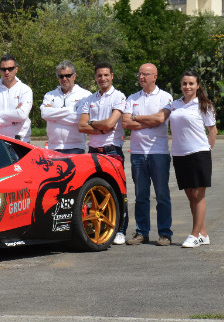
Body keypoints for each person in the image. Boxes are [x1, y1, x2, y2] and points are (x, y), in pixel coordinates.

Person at [144, 71, 217, 248]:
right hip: (179, 154)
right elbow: (159, 117)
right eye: (184, 83)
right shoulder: (174, 104)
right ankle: (203, 233)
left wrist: (207, 150)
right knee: (191, 195)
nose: (187, 87)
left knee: (198, 195)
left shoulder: (204, 105)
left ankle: (194, 234)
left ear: (197, 85)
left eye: (191, 83)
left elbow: (213, 131)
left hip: (199, 153)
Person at [122, 63, 173, 246]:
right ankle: (142, 232)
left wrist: (136, 118)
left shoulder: (165, 97)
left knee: (162, 195)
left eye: (145, 74)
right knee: (141, 195)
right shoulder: (132, 98)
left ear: (155, 77)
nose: (141, 77)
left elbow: (160, 119)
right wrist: (148, 121)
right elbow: (126, 123)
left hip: (158, 152)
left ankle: (165, 233)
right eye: (140, 74)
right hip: (137, 153)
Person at [78, 62, 128, 245]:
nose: (103, 78)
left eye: (106, 75)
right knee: (96, 192)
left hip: (112, 149)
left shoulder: (119, 97)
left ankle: (121, 229)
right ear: (95, 78)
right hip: (93, 150)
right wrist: (100, 126)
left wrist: (93, 123)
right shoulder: (89, 99)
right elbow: (81, 126)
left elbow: (111, 124)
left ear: (112, 76)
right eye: (99, 75)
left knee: (118, 191)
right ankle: (103, 228)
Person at [41, 60, 91, 153]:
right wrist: (72, 110)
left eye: (68, 75)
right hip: (53, 147)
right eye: (61, 76)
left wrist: (53, 114)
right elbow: (44, 114)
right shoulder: (50, 95)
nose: (64, 79)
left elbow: (80, 118)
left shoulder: (85, 95)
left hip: (76, 147)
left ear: (74, 76)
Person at [0, 54, 33, 142]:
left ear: (16, 69)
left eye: (10, 68)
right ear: (0, 71)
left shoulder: (25, 90)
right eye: (3, 69)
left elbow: (22, 115)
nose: (7, 72)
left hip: (21, 141)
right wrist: (13, 120)